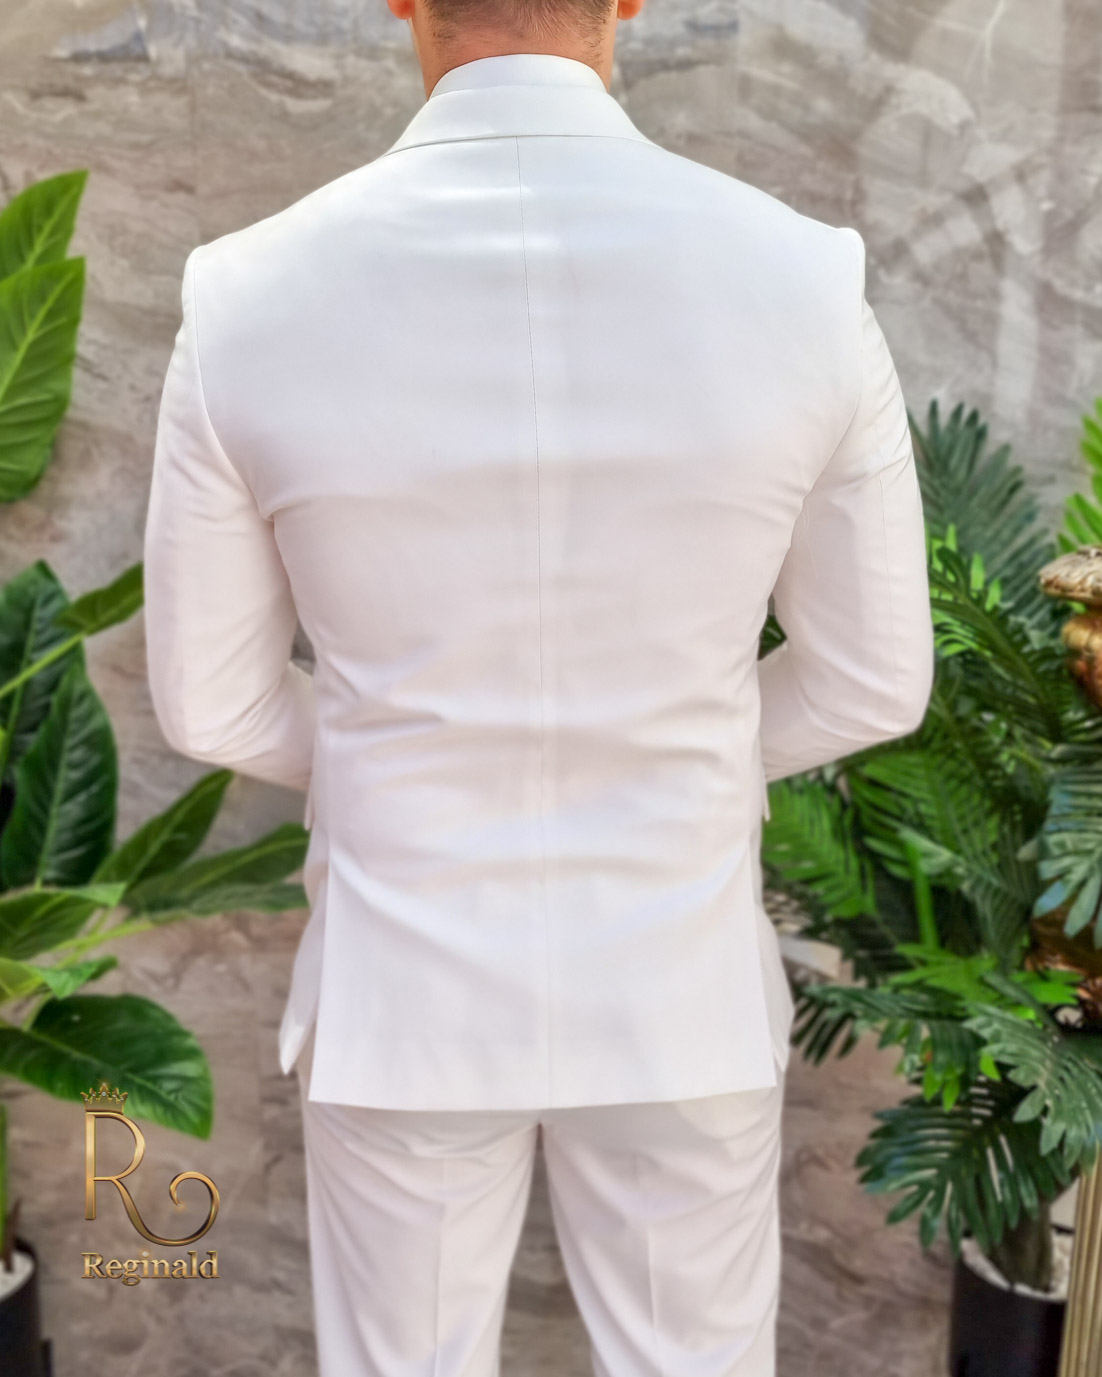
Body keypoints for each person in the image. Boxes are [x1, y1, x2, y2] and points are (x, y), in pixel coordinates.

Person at [141, 0, 936, 1372]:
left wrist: (399, 754)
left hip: (401, 990)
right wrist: (678, 747)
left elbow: (209, 700)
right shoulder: (803, 280)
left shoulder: (245, 293)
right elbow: (873, 678)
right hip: (678, 979)